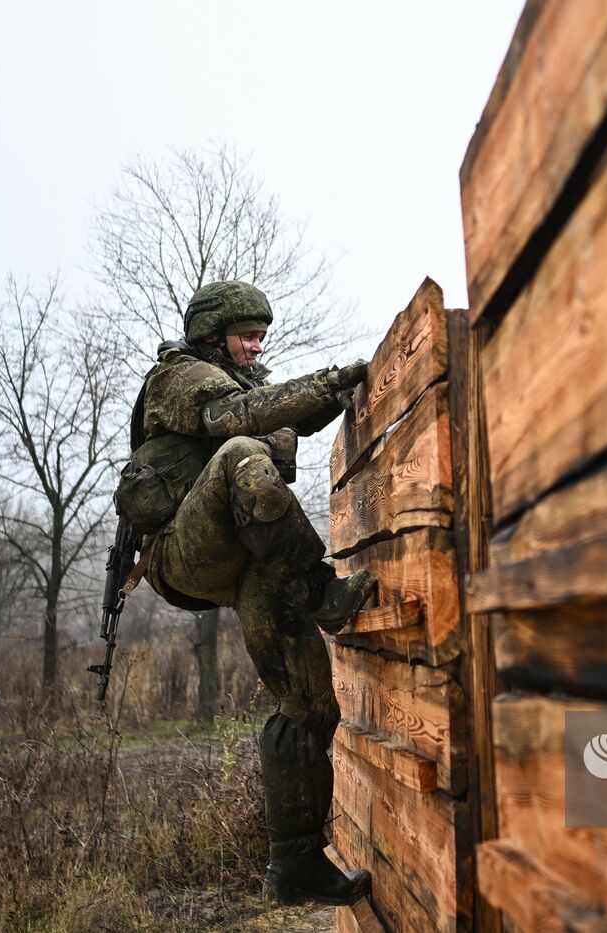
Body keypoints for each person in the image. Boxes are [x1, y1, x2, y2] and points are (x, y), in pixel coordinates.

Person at [122, 279, 375, 905]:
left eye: (262, 336)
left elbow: (283, 411)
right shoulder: (178, 377)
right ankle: (318, 589)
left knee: (310, 704)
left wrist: (344, 387)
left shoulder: (245, 381)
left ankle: (295, 863)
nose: (257, 346)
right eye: (246, 336)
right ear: (212, 336)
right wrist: (321, 384)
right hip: (183, 551)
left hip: (246, 560)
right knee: (241, 452)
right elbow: (230, 420)